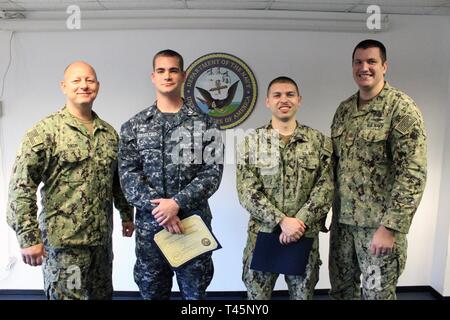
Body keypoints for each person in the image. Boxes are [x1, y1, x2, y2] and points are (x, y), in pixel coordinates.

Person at [6, 61, 134, 300]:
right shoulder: (46, 131)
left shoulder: (108, 134)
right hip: (65, 247)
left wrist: (127, 214)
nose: (84, 85)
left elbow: (118, 180)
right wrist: (28, 237)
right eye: (76, 80)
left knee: (102, 297)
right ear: (64, 86)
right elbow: (21, 187)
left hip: (101, 245)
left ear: (98, 86)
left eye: (90, 80)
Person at [118, 49, 223, 300]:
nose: (167, 76)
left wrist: (176, 204)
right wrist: (162, 211)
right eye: (161, 71)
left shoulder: (206, 124)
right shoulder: (134, 125)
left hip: (192, 225)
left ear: (183, 75)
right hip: (150, 231)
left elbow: (212, 174)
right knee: (153, 293)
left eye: (173, 70)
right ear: (153, 77)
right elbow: (129, 176)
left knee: (195, 296)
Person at [329, 39, 427, 300]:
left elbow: (413, 173)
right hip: (343, 228)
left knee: (376, 295)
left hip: (377, 229)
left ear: (384, 66)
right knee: (341, 292)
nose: (364, 67)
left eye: (371, 61)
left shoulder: (401, 108)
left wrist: (391, 228)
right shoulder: (344, 110)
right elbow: (335, 167)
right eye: (358, 62)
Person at [236, 76, 333, 300]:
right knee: (257, 300)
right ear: (268, 102)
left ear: (299, 100)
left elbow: (326, 187)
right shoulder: (251, 142)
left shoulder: (319, 142)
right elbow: (247, 192)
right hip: (263, 236)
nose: (284, 100)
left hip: (303, 235)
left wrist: (299, 222)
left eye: (290, 94)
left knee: (303, 297)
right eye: (277, 95)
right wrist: (282, 221)